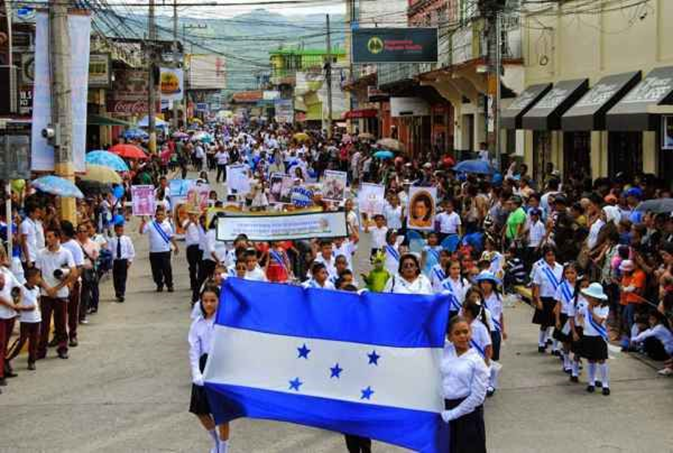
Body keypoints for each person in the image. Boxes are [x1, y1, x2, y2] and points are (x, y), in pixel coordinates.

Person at [188, 286, 230, 453]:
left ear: (219, 301)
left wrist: (232, 287)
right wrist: (196, 373)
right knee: (200, 410)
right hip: (204, 365)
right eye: (205, 300)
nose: (209, 304)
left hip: (222, 366)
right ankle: (216, 441)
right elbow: (193, 350)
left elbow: (246, 307)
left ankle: (224, 448)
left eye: (213, 300)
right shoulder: (197, 324)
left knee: (223, 413)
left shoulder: (225, 320)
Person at [440, 316, 489, 453]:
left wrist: (453, 414)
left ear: (471, 332)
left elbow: (478, 397)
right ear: (450, 337)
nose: (462, 336)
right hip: (445, 409)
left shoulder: (477, 361)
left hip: (468, 415)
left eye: (465, 332)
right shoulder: (446, 351)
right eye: (457, 333)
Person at [36, 227, 77, 360]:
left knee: (61, 323)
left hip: (61, 294)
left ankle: (62, 348)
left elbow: (73, 273)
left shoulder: (66, 253)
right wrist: (48, 288)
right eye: (46, 237)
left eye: (50, 237)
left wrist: (57, 288)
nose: (47, 239)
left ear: (57, 238)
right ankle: (41, 350)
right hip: (45, 293)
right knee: (44, 323)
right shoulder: (41, 253)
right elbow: (37, 275)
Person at [579, 282, 611, 396]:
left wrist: (591, 311)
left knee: (601, 360)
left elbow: (599, 321)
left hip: (599, 337)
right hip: (588, 335)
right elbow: (578, 314)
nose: (588, 298)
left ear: (597, 298)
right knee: (591, 360)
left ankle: (605, 384)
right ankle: (591, 382)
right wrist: (582, 323)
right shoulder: (584, 304)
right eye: (588, 297)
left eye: (590, 297)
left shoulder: (604, 307)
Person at [6, 267, 41, 371]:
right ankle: (7, 358)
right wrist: (26, 308)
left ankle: (31, 361)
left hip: (36, 319)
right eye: (37, 277)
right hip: (26, 320)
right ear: (31, 278)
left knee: (34, 341)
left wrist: (37, 311)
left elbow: (37, 301)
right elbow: (16, 304)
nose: (39, 279)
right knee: (22, 340)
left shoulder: (37, 289)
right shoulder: (21, 289)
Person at [531, 245, 564, 354]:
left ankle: (555, 347)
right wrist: (538, 300)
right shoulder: (540, 269)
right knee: (544, 323)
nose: (551, 257)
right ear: (544, 256)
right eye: (548, 255)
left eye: (553, 255)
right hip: (545, 298)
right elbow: (537, 286)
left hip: (557, 299)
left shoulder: (561, 268)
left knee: (556, 323)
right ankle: (541, 343)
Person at [476, 271, 504, 397]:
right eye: (483, 282)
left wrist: (504, 330)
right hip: (481, 331)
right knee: (482, 356)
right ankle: (482, 383)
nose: (486, 285)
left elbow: (501, 315)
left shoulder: (498, 297)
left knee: (493, 357)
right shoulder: (476, 297)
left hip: (495, 331)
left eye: (488, 283)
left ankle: (492, 383)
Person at [139, 206, 179, 292]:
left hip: (165, 251)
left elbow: (171, 237)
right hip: (154, 252)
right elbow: (141, 232)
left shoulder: (167, 225)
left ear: (164, 216)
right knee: (156, 271)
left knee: (167, 269)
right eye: (158, 215)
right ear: (155, 215)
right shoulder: (150, 224)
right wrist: (142, 223)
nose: (160, 216)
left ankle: (169, 285)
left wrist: (176, 247)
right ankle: (159, 284)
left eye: (161, 214)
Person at [553, 263, 579, 373]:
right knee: (566, 341)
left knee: (577, 342)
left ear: (577, 274)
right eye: (567, 273)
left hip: (577, 317)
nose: (570, 275)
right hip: (565, 316)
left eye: (572, 273)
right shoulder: (561, 286)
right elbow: (558, 304)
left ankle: (576, 362)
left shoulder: (580, 286)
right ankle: (566, 362)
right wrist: (557, 319)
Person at [0, 262, 21, 389]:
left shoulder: (7, 272)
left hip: (9, 314)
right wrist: (12, 305)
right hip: (1, 314)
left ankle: (4, 367)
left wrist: (17, 301)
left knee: (5, 343)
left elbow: (17, 287)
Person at [107, 221, 135, 303]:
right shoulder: (112, 240)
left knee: (123, 278)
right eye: (118, 230)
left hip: (123, 261)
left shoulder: (127, 239)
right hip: (116, 261)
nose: (119, 232)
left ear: (123, 230)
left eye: (121, 230)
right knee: (116, 278)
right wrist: (110, 262)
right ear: (115, 230)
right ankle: (117, 292)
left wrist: (129, 261)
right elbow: (109, 251)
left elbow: (131, 251)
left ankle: (122, 293)